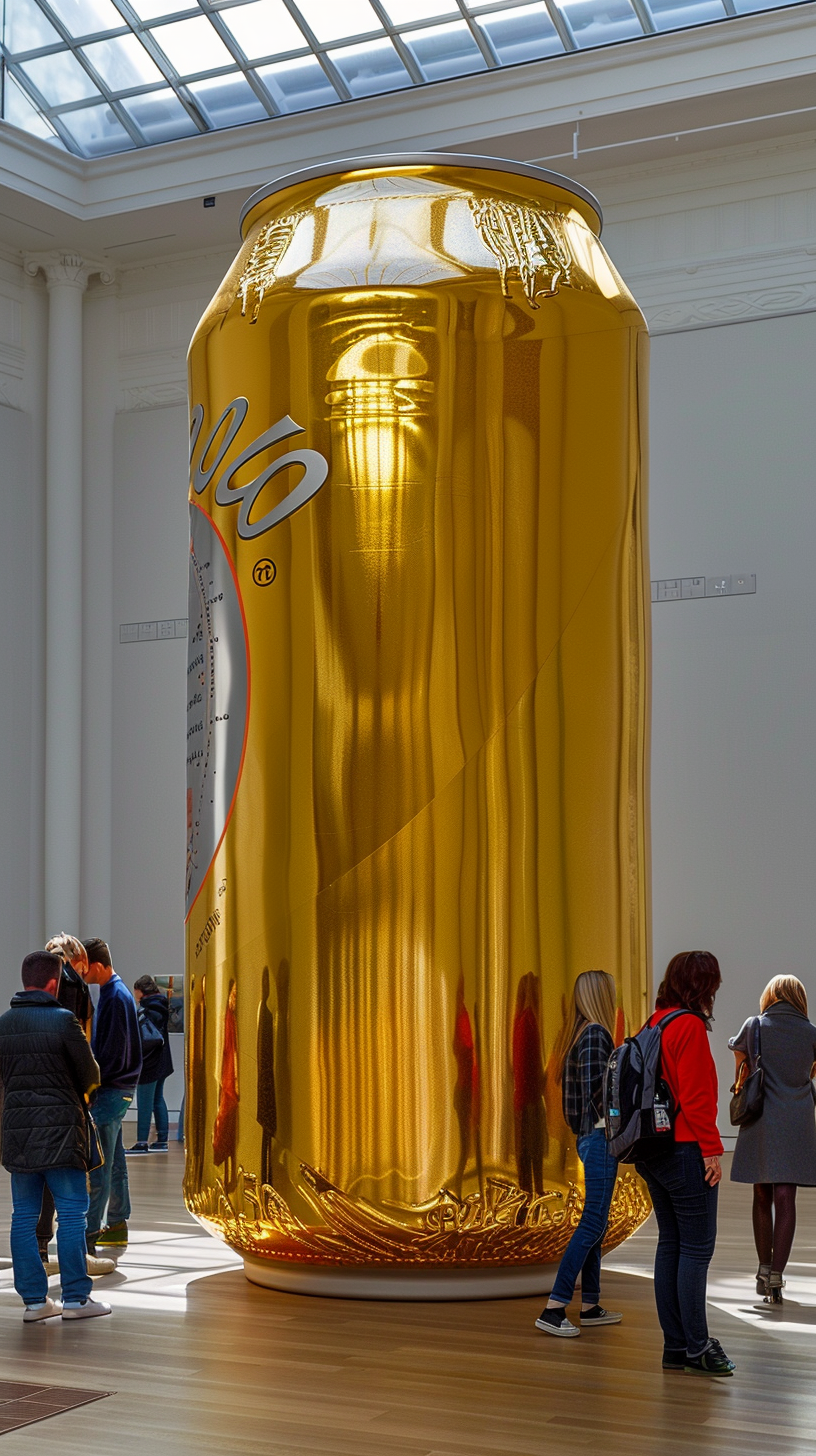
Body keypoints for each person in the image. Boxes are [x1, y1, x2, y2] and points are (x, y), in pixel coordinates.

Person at [634, 951, 735, 1377]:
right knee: (696, 1249)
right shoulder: (689, 1027)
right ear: (702, 986)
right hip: (684, 1149)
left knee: (671, 1244)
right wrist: (713, 1150)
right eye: (713, 983)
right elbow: (696, 1098)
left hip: (652, 1151)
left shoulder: (654, 1022)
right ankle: (698, 1346)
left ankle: (675, 1346)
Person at [0, 951, 111, 1321]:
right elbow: (91, 1074)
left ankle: (34, 1302)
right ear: (54, 983)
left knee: (24, 1216)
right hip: (63, 1135)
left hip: (17, 1136)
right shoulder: (64, 1021)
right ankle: (77, 1300)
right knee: (72, 1214)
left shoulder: (4, 1024)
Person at [535, 970, 621, 1337]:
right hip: (600, 1138)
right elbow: (598, 1092)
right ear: (603, 995)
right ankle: (555, 1307)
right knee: (592, 1223)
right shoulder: (596, 1036)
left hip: (590, 1137)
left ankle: (591, 1305)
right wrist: (620, 1121)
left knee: (597, 1224)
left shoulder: (579, 1034)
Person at [729, 975, 816, 1303]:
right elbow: (811, 1074)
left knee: (762, 1196)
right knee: (786, 1198)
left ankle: (763, 1269)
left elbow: (740, 1074)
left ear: (770, 996)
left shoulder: (754, 1026)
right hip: (797, 1121)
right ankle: (777, 1275)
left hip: (760, 1118)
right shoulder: (811, 1033)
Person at [37, 934, 113, 1279]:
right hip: (65, 1104)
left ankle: (37, 1258)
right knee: (70, 1191)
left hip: (31, 1111)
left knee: (32, 1194)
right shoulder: (73, 995)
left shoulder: (20, 1013)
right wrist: (88, 1093)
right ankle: (76, 1266)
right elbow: (84, 1062)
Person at [80, 938, 142, 1254]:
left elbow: (111, 1054)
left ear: (100, 965)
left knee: (99, 1168)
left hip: (111, 1091)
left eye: (86, 966)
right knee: (114, 1162)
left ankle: (88, 1238)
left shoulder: (116, 997)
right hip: (119, 1090)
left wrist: (91, 1082)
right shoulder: (112, 993)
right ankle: (117, 1225)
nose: (83, 973)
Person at [127, 975, 173, 1154]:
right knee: (158, 1100)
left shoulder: (147, 1010)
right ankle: (162, 1140)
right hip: (162, 1062)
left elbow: (145, 1039)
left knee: (145, 1102)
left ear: (141, 991)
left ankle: (141, 1142)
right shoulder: (160, 1006)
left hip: (149, 1063)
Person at [213, 979, 239, 1194]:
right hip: (229, 1079)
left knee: (229, 1127)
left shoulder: (232, 1019)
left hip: (231, 1080)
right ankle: (228, 1173)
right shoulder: (229, 1019)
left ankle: (230, 1173)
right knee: (226, 1125)